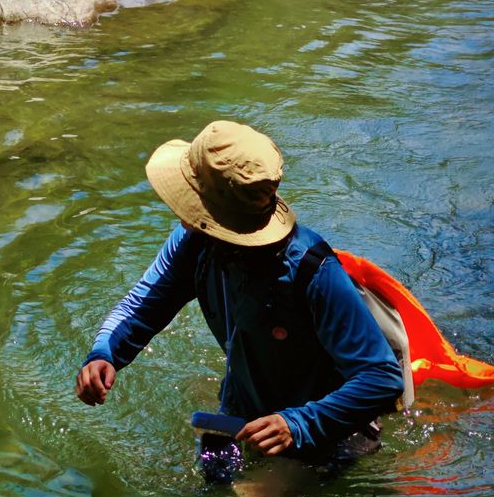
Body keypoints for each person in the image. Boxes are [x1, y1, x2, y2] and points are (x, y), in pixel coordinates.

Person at [76, 120, 404, 471]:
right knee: (212, 492)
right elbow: (143, 305)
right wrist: (106, 353)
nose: (180, 212)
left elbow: (382, 378)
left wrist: (298, 424)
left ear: (216, 215)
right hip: (242, 416)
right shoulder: (196, 244)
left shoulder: (313, 271)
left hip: (330, 433)